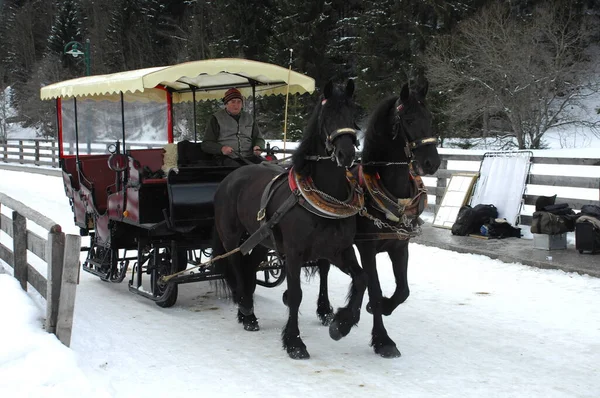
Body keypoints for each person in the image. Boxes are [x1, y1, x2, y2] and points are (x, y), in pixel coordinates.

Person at [201, 87, 265, 166]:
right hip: (226, 158)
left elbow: (259, 138)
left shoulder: (249, 118)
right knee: (239, 171)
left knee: (267, 167)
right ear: (226, 103)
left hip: (249, 157)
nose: (236, 105)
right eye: (233, 102)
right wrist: (221, 149)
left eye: (239, 102)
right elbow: (206, 144)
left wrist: (258, 146)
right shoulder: (216, 118)